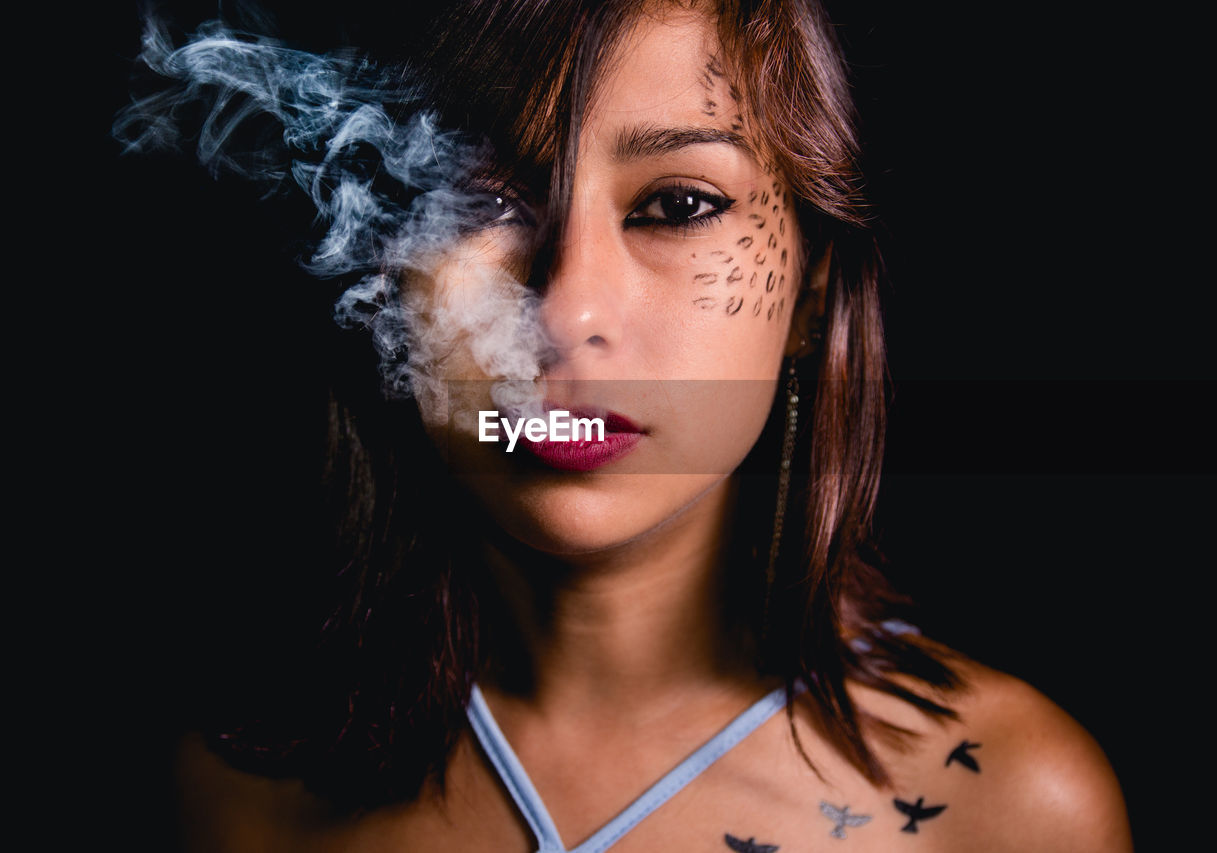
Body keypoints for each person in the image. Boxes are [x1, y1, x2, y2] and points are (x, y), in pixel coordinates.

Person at [152, 1, 1132, 850]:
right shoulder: (234, 796)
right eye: (474, 199)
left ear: (807, 288)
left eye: (676, 205)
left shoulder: (1005, 808)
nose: (570, 309)